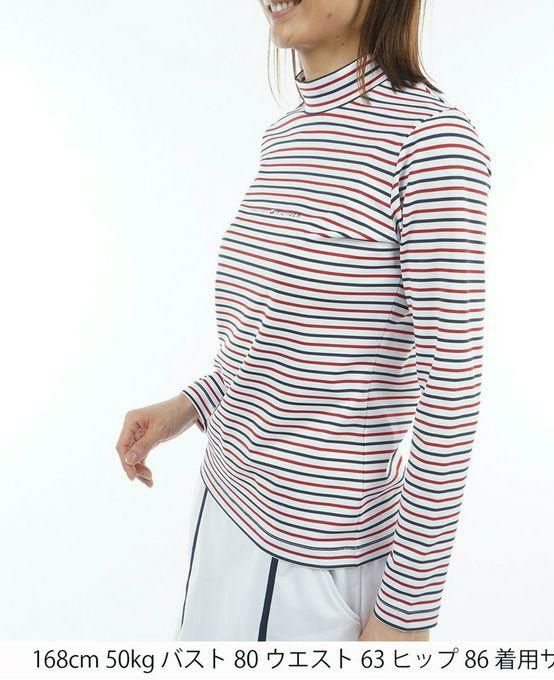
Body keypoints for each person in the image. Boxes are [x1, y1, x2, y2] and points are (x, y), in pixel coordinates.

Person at [115, 0, 492, 642]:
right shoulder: (284, 137)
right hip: (222, 511)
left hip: (314, 565)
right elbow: (269, 342)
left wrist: (405, 616)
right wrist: (187, 406)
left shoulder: (432, 142)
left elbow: (450, 393)